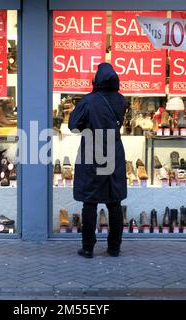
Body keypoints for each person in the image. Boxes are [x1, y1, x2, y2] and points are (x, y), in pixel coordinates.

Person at [68, 63, 128, 258]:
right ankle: (114, 247)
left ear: (97, 79)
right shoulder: (121, 100)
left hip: (92, 152)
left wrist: (88, 125)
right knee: (114, 202)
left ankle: (88, 248)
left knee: (90, 201)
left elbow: (73, 125)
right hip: (114, 151)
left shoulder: (89, 101)